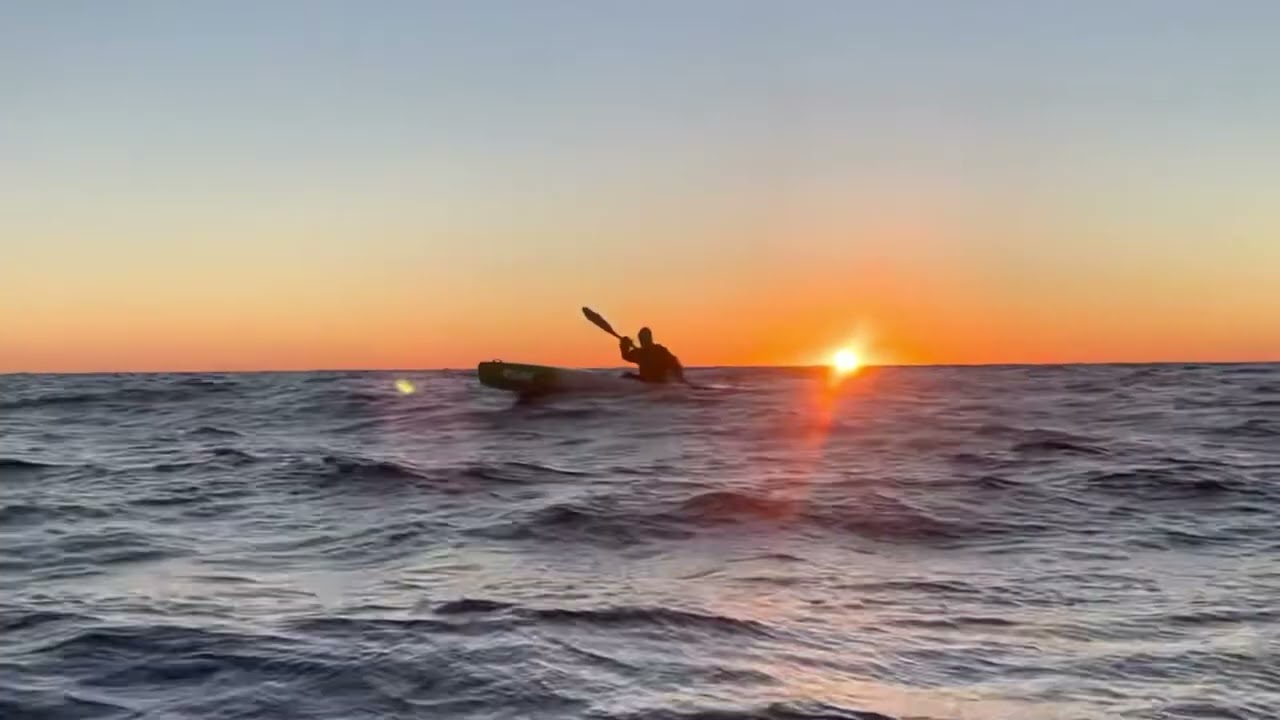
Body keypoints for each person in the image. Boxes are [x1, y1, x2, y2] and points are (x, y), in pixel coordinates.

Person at [619, 327, 685, 384]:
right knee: (626, 375)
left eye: (645, 338)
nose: (643, 341)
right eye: (641, 338)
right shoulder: (639, 353)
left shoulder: (659, 350)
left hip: (659, 381)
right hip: (645, 380)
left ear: (650, 338)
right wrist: (624, 345)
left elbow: (675, 363)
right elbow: (626, 356)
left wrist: (677, 377)